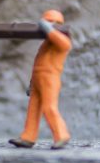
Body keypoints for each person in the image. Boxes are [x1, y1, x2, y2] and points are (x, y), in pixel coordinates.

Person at [10, 9, 71, 149]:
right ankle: (28, 137)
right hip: (38, 78)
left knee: (49, 107)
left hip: (50, 78)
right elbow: (38, 63)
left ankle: (61, 135)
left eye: (50, 21)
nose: (45, 25)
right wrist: (32, 83)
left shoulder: (61, 40)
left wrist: (49, 29)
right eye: (45, 21)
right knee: (33, 109)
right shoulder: (45, 44)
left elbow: (65, 44)